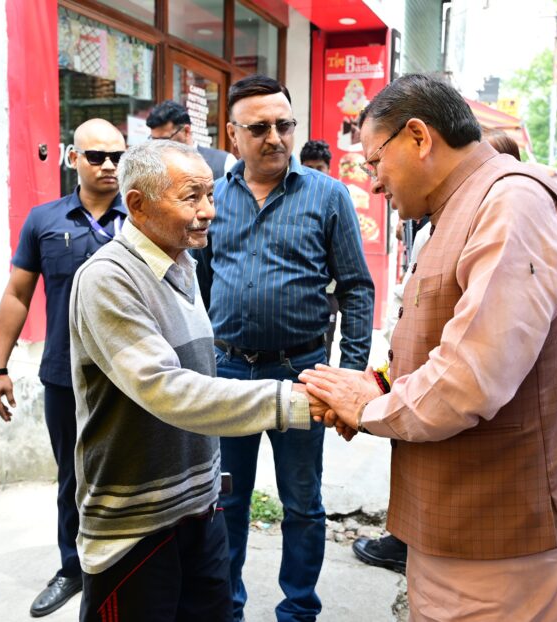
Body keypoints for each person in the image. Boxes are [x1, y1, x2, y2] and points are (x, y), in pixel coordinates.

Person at [301, 73, 557, 621]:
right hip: (460, 522)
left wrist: (368, 409)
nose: (375, 183)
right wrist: (378, 384)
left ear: (419, 137)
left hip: (514, 533)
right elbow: (436, 337)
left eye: (374, 162)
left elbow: (471, 377)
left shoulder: (512, 203)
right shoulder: (454, 208)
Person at [70, 140, 323, 622]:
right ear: (138, 205)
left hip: (201, 508)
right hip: (137, 523)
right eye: (191, 197)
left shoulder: (183, 265)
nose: (209, 210)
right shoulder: (107, 277)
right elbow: (166, 388)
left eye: (209, 195)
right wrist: (293, 400)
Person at [192, 74, 374, 622]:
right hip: (228, 372)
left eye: (284, 124)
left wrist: (351, 375)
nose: (274, 137)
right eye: (259, 128)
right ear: (232, 133)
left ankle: (298, 611)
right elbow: (199, 283)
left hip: (303, 373)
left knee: (302, 501)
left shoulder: (328, 195)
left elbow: (356, 287)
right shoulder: (213, 197)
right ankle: (227, 610)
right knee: (226, 501)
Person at [0, 119, 126, 617]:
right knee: (72, 477)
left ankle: (128, 568)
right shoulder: (44, 220)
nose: (109, 165)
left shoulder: (142, 216)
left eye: (117, 156)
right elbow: (17, 294)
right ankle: (73, 568)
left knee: (133, 475)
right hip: (66, 376)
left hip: (134, 377)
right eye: (97, 156)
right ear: (73, 158)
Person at [299, 139, 339, 361]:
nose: (314, 173)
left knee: (325, 347)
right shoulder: (294, 200)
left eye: (319, 168)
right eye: (309, 167)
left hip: (328, 292)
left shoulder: (336, 199)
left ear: (329, 169)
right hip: (300, 296)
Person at [146, 99, 236, 179]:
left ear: (186, 131)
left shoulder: (224, 162)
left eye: (164, 140)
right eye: (153, 140)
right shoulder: (151, 167)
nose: (157, 146)